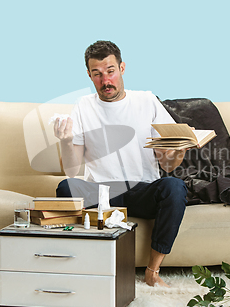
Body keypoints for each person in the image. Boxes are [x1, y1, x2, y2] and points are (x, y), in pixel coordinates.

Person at [53, 40, 188, 287]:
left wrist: (179, 150)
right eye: (98, 74)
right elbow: (72, 170)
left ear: (122, 68)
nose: (106, 80)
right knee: (66, 187)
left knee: (175, 187)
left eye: (111, 71)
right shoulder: (84, 106)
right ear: (89, 75)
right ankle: (77, 266)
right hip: (104, 194)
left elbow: (167, 165)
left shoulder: (147, 101)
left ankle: (153, 271)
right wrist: (66, 140)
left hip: (143, 189)